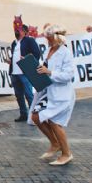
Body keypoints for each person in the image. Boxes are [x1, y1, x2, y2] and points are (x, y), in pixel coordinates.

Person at [30, 25, 76, 166]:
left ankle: (66, 154)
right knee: (36, 116)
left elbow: (69, 75)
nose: (47, 41)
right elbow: (44, 68)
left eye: (49, 38)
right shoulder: (48, 50)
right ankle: (55, 144)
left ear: (56, 38)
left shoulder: (65, 53)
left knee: (55, 122)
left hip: (61, 94)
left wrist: (49, 72)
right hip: (48, 92)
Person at [8, 23, 41, 122]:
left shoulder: (29, 41)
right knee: (18, 95)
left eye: (19, 30)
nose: (17, 31)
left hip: (24, 72)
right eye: (16, 30)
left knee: (28, 94)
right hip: (14, 73)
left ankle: (33, 116)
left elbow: (37, 53)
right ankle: (23, 114)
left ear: (25, 32)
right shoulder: (14, 43)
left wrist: (27, 59)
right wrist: (10, 60)